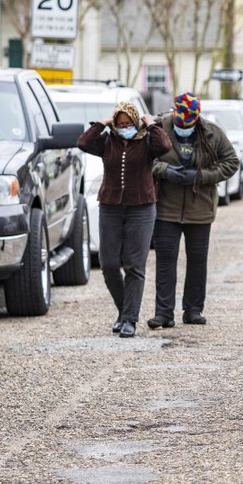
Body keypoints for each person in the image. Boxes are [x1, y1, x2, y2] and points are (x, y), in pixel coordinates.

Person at [77, 101, 172, 338]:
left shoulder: (148, 141)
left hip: (141, 208)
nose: (124, 127)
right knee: (108, 265)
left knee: (134, 265)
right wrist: (102, 123)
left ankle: (130, 319)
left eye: (127, 123)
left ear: (135, 121)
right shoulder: (107, 141)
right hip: (110, 206)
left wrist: (151, 124)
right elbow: (83, 142)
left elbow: (165, 146)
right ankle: (123, 311)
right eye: (119, 124)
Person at [148, 92, 239, 329]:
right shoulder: (158, 128)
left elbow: (231, 162)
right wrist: (164, 170)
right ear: (174, 112)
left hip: (200, 207)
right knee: (166, 260)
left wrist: (201, 176)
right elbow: (145, 159)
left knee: (197, 260)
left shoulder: (212, 132)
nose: (183, 124)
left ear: (197, 117)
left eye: (189, 121)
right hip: (166, 206)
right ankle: (164, 313)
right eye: (180, 119)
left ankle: (193, 309)